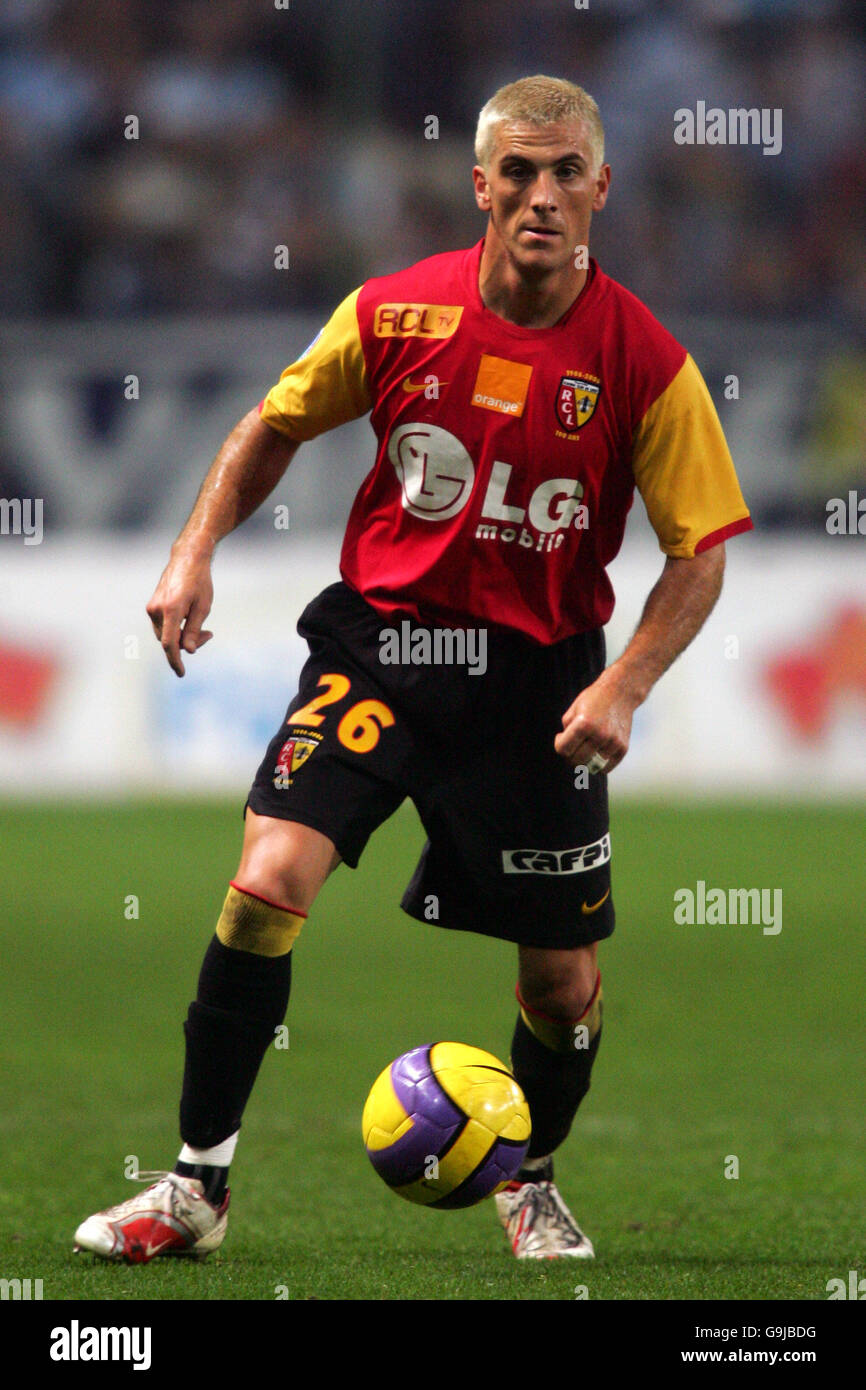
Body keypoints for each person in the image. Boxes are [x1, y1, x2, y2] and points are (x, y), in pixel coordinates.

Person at [74, 75, 752, 1264]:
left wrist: (622, 686)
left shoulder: (645, 361)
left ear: (601, 187)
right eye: (518, 173)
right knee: (265, 879)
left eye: (564, 174)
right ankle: (193, 1190)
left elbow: (699, 552)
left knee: (559, 985)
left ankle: (529, 1176)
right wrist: (194, 553)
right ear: (479, 183)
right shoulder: (393, 314)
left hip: (539, 686)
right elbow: (273, 423)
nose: (541, 196)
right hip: (382, 648)